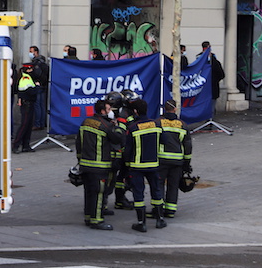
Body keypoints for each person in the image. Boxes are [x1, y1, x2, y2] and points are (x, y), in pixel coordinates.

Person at [77, 98, 123, 230]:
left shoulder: (85, 122)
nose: (110, 112)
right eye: (109, 110)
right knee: (98, 192)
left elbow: (78, 143)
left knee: (89, 191)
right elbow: (118, 138)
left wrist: (80, 160)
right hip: (100, 165)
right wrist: (116, 126)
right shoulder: (106, 125)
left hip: (85, 164)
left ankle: (88, 216)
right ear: (103, 111)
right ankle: (97, 220)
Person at [124, 98, 166, 232]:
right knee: (156, 191)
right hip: (154, 165)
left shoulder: (132, 128)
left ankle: (141, 223)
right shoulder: (157, 125)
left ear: (135, 111)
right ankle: (160, 220)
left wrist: (126, 166)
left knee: (138, 195)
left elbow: (127, 150)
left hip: (137, 167)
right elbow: (163, 141)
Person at [157, 99, 192, 218]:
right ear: (175, 109)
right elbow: (187, 145)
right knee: (173, 185)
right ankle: (170, 210)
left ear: (164, 109)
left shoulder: (158, 123)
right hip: (177, 161)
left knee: (159, 184)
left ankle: (159, 209)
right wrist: (187, 162)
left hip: (161, 160)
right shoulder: (182, 125)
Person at [12, 63, 37, 154]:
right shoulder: (25, 79)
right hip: (27, 104)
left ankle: (26, 145)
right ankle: (16, 145)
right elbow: (30, 92)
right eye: (31, 69)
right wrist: (37, 87)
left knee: (28, 125)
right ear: (28, 70)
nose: (33, 71)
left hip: (29, 104)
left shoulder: (28, 78)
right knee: (24, 125)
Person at [28, 46, 49, 130]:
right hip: (43, 85)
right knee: (41, 105)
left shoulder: (36, 63)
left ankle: (37, 123)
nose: (29, 53)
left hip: (37, 85)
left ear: (36, 52)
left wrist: (30, 72)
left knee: (37, 105)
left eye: (31, 51)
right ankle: (42, 123)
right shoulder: (43, 62)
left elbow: (37, 74)